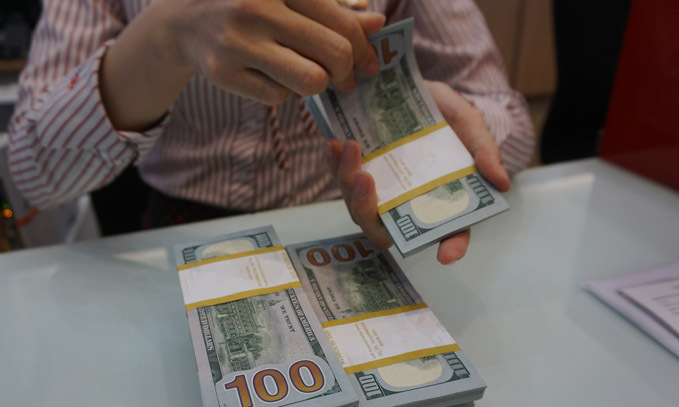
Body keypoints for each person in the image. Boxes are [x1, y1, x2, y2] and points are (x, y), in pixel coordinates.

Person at [8, 0, 534, 265]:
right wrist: (164, 36)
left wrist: (428, 129)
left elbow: (511, 122)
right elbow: (33, 172)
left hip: (350, 229)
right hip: (173, 234)